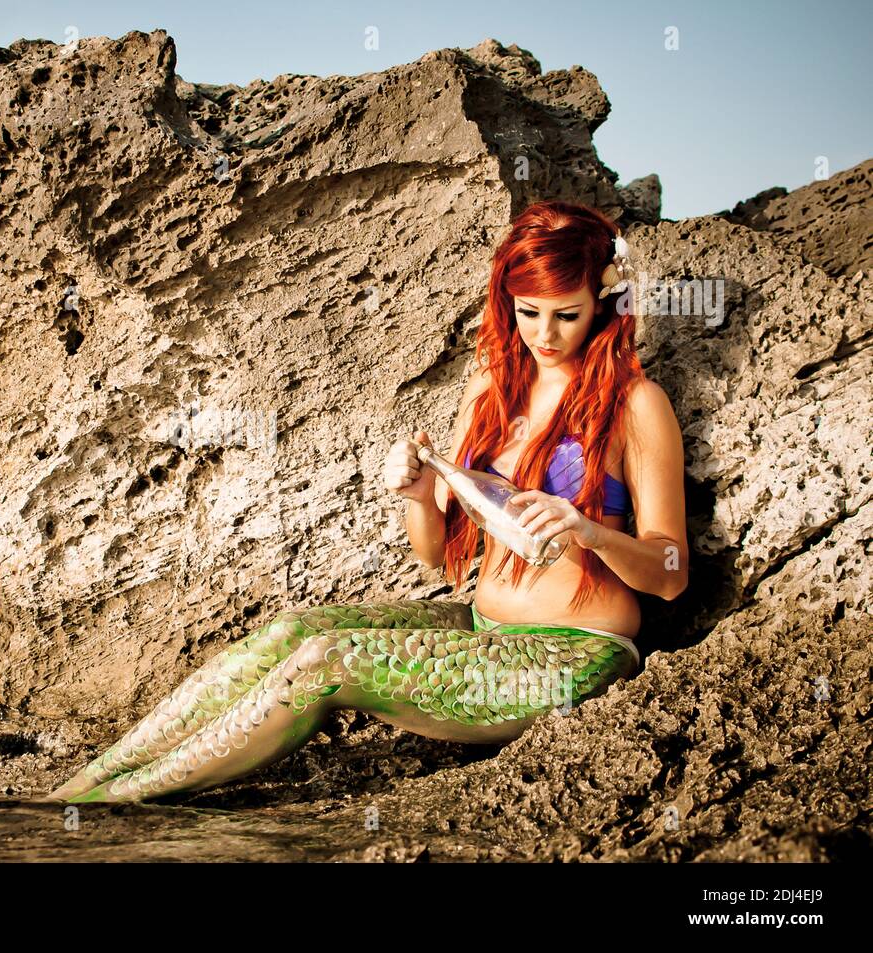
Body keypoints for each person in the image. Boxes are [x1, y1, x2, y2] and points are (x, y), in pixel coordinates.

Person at [48, 201, 689, 804]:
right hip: (482, 627)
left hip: (573, 653)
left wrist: (591, 531)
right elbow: (437, 559)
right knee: (294, 630)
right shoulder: (492, 388)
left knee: (330, 662)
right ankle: (78, 789)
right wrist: (418, 496)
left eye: (566, 314)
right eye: (527, 312)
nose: (543, 333)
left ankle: (115, 803)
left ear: (603, 304)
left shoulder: (636, 405)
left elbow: (670, 576)